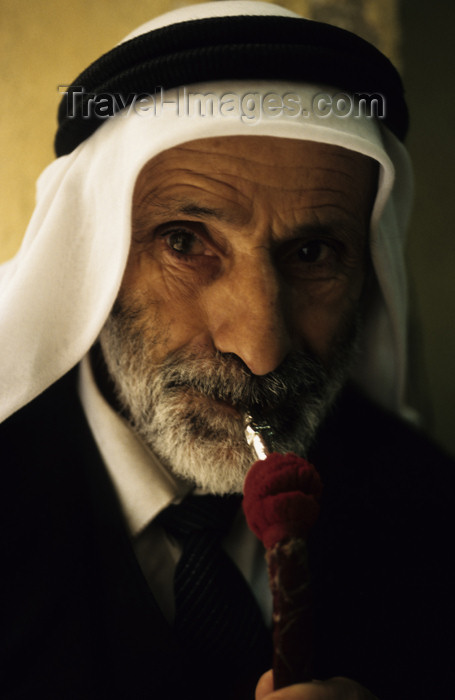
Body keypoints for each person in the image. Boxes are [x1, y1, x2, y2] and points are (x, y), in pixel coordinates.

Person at [0, 2, 453, 699]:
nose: (261, 348)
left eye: (311, 253)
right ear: (92, 254)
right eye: (184, 242)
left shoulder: (428, 513)